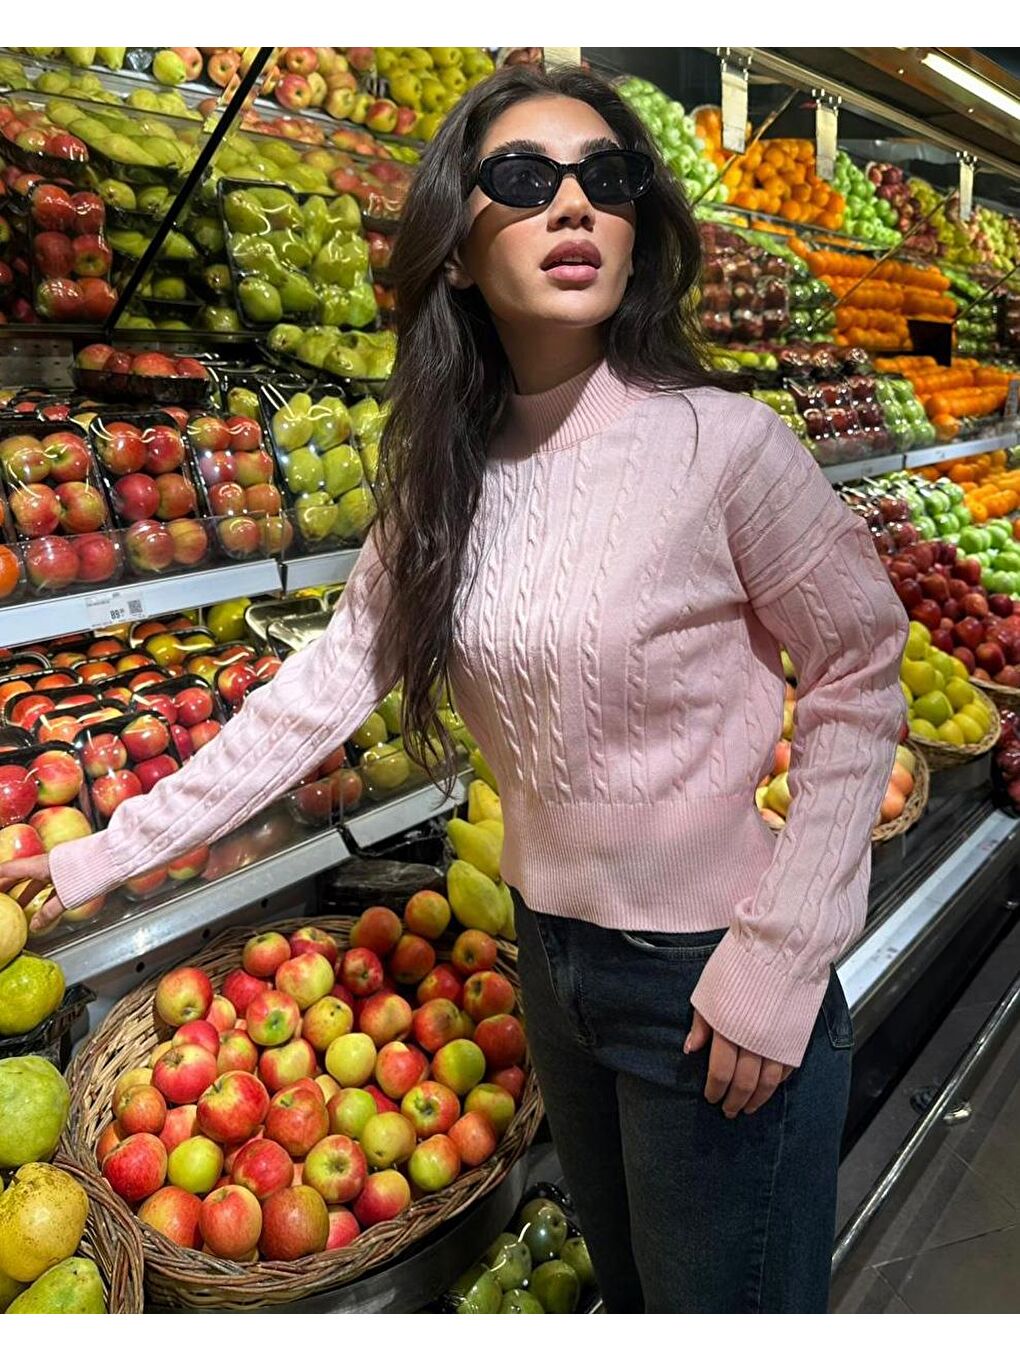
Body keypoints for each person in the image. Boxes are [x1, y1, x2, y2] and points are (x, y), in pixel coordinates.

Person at [1, 64, 907, 1313]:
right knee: (636, 1300)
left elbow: (862, 667)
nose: (575, 205)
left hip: (712, 979)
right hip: (550, 963)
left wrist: (787, 953)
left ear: (640, 227)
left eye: (608, 179)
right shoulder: (445, 474)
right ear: (459, 250)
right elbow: (321, 690)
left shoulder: (726, 445)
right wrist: (96, 856)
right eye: (526, 179)